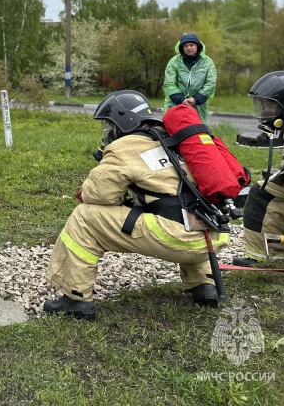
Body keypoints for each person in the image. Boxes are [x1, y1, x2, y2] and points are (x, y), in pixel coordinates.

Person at [43, 90, 230, 320]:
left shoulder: (125, 146)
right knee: (179, 210)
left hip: (176, 238)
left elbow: (99, 194)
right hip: (212, 235)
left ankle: (75, 298)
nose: (109, 133)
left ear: (124, 121)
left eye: (110, 126)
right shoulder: (174, 138)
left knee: (84, 217)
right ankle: (204, 285)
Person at [233, 71, 284, 266]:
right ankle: (265, 258)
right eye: (263, 105)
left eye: (269, 106)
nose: (265, 111)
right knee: (262, 194)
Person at [163, 33, 217, 124]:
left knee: (197, 132)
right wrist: (181, 99)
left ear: (197, 46)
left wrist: (196, 99)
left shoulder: (207, 63)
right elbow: (169, 83)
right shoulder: (174, 62)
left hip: (198, 105)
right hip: (175, 104)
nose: (189, 48)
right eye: (185, 46)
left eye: (191, 45)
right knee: (173, 129)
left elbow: (210, 83)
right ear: (181, 48)